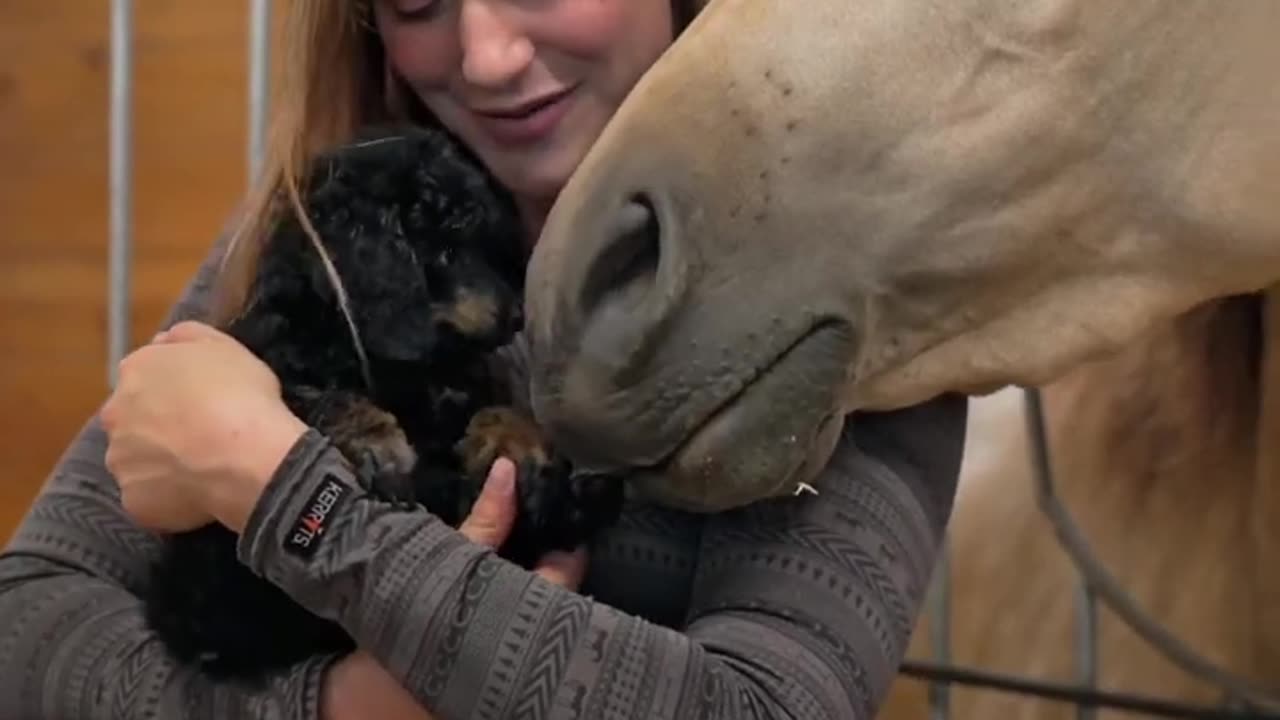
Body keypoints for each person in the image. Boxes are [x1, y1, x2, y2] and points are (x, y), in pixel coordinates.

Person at [0, 1, 969, 719]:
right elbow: (27, 630)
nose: (487, 57)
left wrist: (281, 494)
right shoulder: (334, 221)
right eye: (419, 1)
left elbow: (764, 707)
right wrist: (344, 708)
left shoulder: (845, 284)